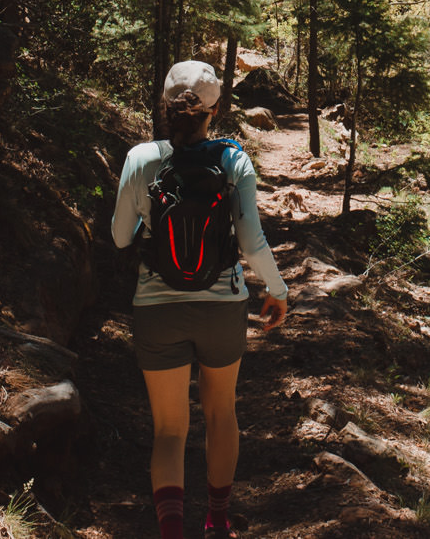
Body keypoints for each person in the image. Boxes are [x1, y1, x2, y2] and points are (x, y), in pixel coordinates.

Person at [113, 60, 289, 538]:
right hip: (221, 306)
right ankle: (216, 521)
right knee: (220, 413)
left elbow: (120, 239)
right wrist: (277, 291)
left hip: (156, 308)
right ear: (216, 108)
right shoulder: (234, 159)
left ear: (165, 103)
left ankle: (172, 532)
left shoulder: (140, 158)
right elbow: (252, 242)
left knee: (170, 430)